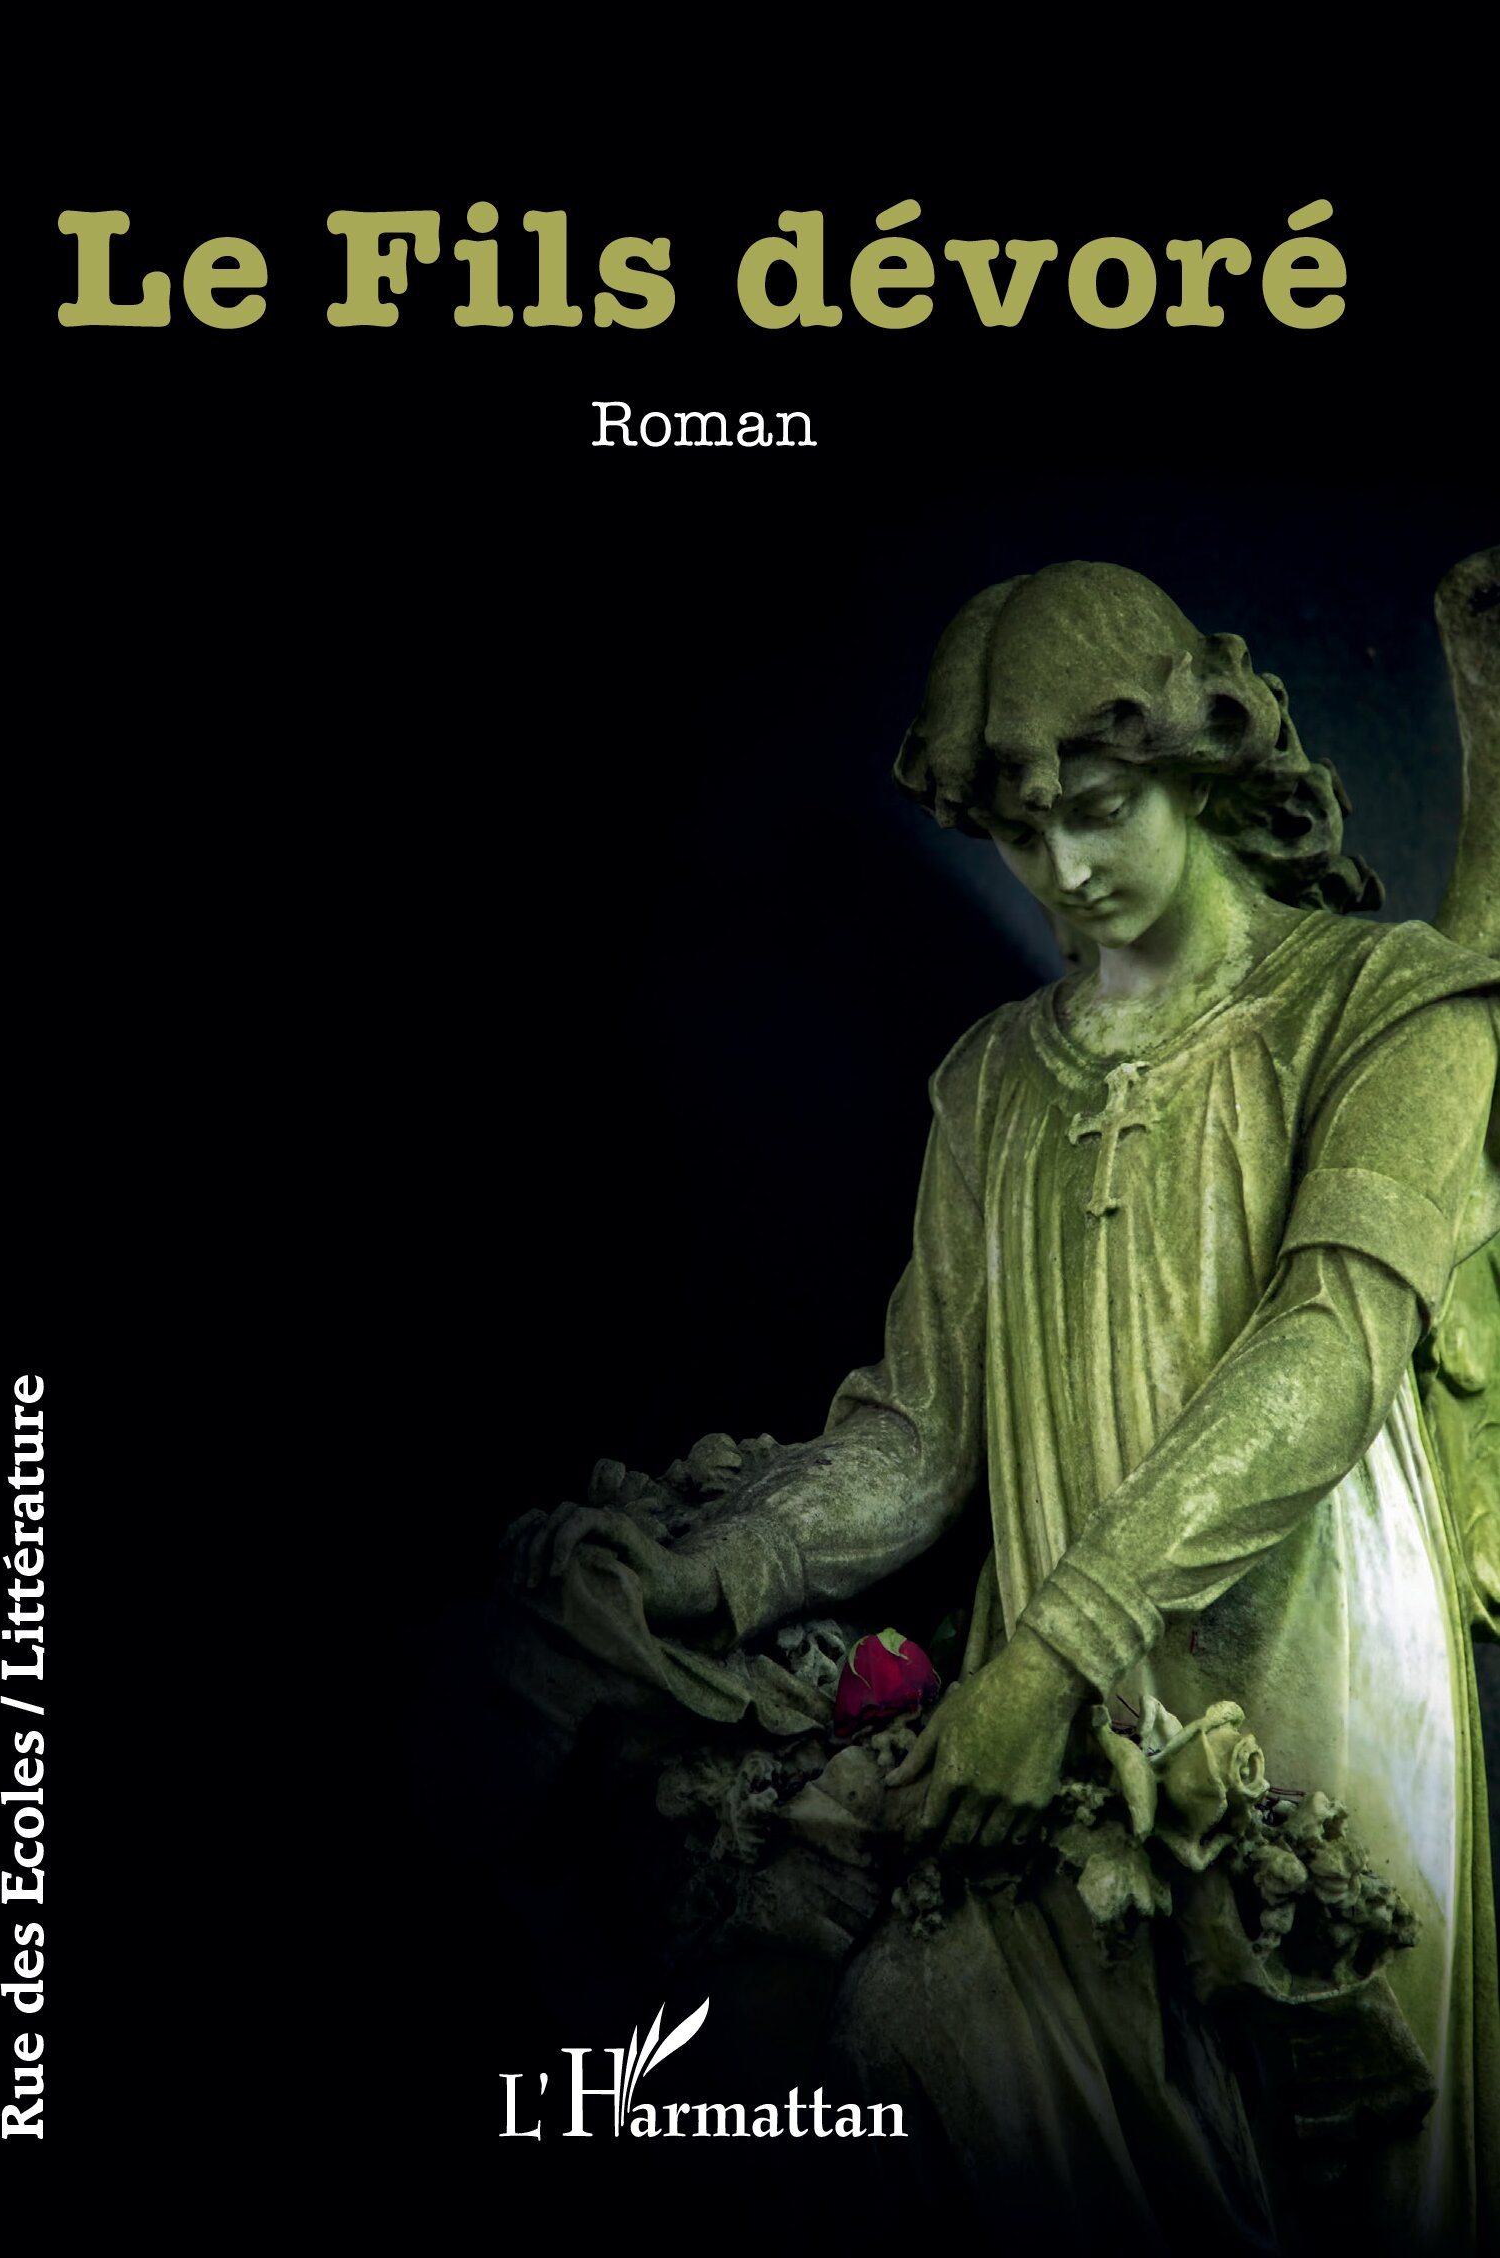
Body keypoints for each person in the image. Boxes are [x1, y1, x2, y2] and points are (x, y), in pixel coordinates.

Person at [507, 559, 1498, 2252]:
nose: (1063, 868)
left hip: (1314, 1665)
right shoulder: (989, 1084)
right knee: (926, 2048)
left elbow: (1330, 1345)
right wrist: (713, 1568)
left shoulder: (1374, 1001)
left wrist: (1047, 1655)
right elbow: (915, 1440)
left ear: (1200, 759)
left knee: (1330, 2157)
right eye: (1020, 833)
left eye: (1098, 809)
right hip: (1048, 1723)